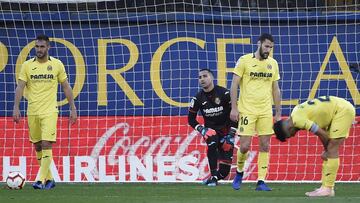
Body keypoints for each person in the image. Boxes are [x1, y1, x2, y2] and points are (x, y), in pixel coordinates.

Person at [12, 34, 77, 190]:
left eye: (42, 46)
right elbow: (20, 86)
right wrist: (16, 107)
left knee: (47, 143)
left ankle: (40, 180)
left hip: (50, 111)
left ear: (48, 47)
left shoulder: (57, 64)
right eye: (37, 46)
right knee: (38, 146)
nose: (39, 49)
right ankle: (50, 179)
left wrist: (72, 107)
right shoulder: (27, 65)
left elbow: (66, 86)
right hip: (32, 110)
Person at [273, 96, 355, 197]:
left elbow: (323, 134)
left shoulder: (298, 121)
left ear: (288, 129)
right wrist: (326, 150)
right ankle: (325, 187)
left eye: (290, 135)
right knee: (329, 150)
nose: (293, 135)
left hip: (342, 110)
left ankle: (328, 189)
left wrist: (326, 150)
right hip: (337, 109)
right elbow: (322, 132)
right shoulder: (295, 113)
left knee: (332, 149)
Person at [230, 33, 281, 191]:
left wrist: (278, 112)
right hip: (247, 110)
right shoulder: (244, 60)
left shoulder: (273, 63)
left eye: (271, 47)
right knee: (244, 146)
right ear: (259, 44)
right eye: (266, 46)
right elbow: (234, 85)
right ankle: (239, 172)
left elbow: (275, 89)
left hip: (265, 111)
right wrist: (234, 107)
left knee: (265, 145)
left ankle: (261, 181)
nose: (268, 50)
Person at [188, 68, 238, 186]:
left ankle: (214, 178)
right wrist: (202, 129)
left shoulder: (224, 93)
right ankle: (214, 176)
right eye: (200, 77)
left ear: (212, 78)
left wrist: (231, 135)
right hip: (211, 132)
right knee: (212, 140)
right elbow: (191, 119)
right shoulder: (197, 98)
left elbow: (236, 114)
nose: (202, 79)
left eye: (205, 76)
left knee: (225, 172)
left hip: (226, 133)